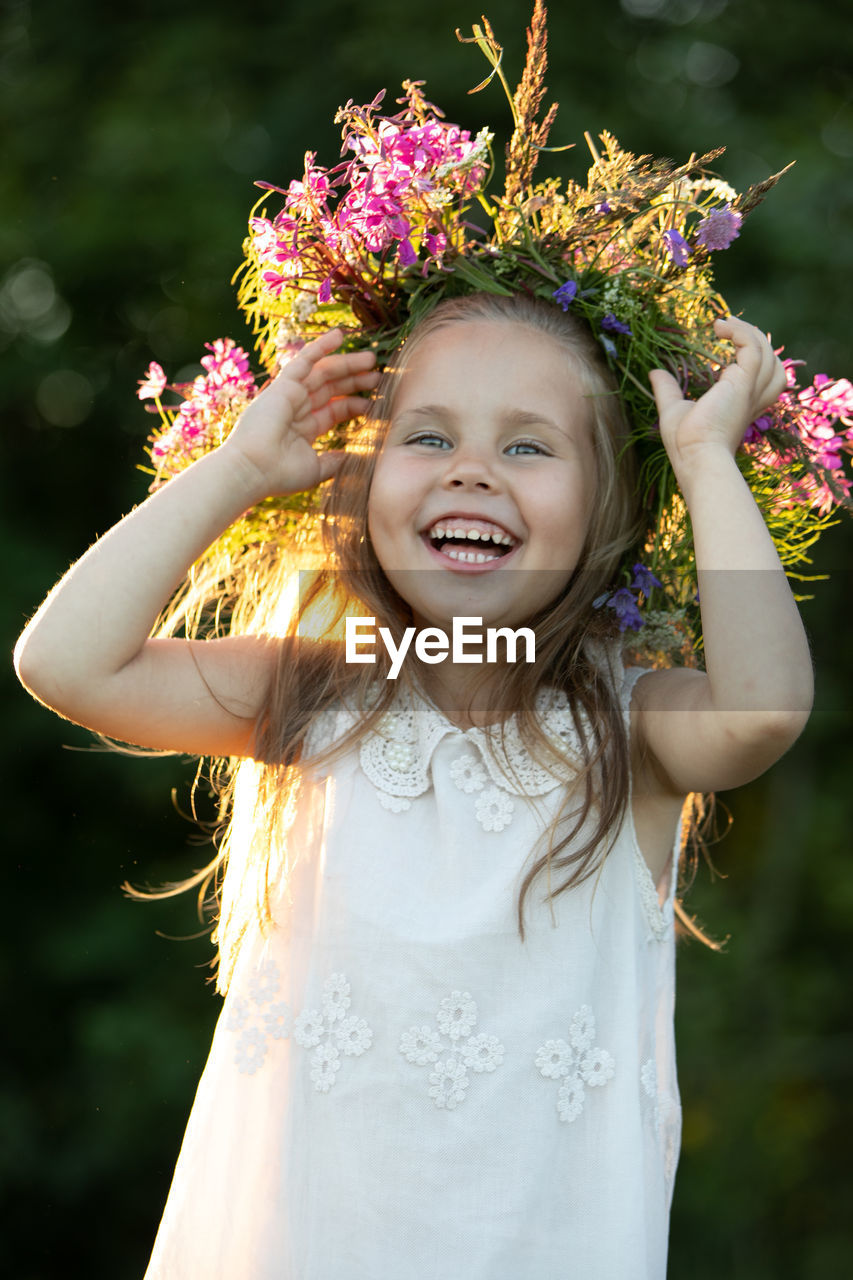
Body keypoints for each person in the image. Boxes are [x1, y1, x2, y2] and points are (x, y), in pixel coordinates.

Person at [14, 288, 813, 1278]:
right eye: (427, 437)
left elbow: (765, 707)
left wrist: (703, 463)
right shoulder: (310, 694)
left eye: (529, 447)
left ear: (610, 507)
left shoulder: (630, 726)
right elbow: (64, 661)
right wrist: (240, 471)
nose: (471, 470)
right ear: (361, 478)